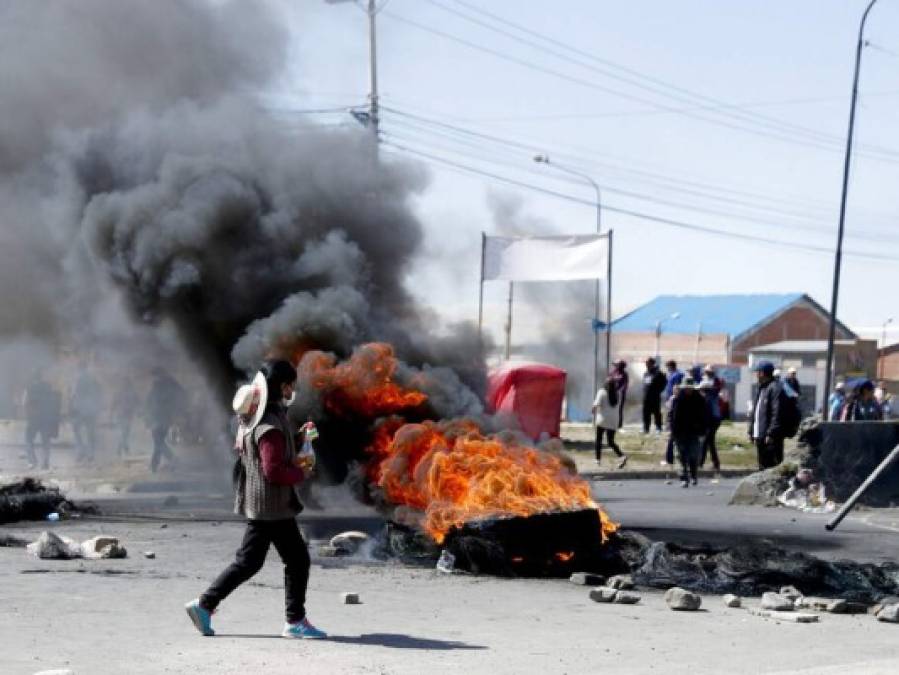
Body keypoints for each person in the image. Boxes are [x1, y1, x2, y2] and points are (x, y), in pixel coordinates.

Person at [186, 360, 326, 640]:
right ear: (283, 386)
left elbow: (276, 452)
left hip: (262, 504)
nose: (293, 389)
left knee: (250, 562)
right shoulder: (269, 425)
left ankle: (205, 605)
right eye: (291, 384)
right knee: (297, 560)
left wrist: (299, 438)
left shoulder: (260, 418)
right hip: (271, 506)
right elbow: (273, 469)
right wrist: (301, 472)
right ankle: (294, 621)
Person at [748, 361, 789, 470]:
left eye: (757, 372)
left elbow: (777, 413)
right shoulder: (762, 388)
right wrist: (751, 430)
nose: (756, 375)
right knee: (762, 466)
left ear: (762, 373)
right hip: (761, 435)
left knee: (772, 468)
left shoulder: (775, 388)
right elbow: (756, 411)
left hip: (770, 437)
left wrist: (771, 433)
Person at [670, 375, 707, 487]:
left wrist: (702, 431)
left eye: (690, 388)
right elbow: (673, 416)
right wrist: (673, 432)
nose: (688, 390)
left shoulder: (699, 399)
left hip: (694, 432)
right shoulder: (678, 399)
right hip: (680, 432)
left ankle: (693, 475)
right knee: (680, 456)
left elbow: (704, 417)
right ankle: (683, 478)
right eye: (686, 388)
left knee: (693, 455)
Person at [145, 368, 184, 472]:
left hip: (162, 417)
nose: (152, 379)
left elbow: (150, 402)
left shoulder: (164, 385)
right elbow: (149, 402)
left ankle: (169, 460)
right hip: (160, 417)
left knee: (158, 441)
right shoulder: (162, 385)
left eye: (154, 376)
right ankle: (155, 465)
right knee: (158, 442)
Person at [24, 370, 60, 470]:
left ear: (34, 378)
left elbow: (25, 402)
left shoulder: (29, 387)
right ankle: (46, 462)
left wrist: (27, 414)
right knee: (46, 441)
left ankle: (32, 461)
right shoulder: (48, 387)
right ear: (41, 377)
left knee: (28, 440)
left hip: (33, 418)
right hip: (46, 418)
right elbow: (54, 401)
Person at [592, 377, 628, 468]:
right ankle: (621, 455)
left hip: (602, 420)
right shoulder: (618, 394)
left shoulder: (602, 392)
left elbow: (596, 405)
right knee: (610, 441)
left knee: (599, 440)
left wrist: (593, 412)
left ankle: (597, 460)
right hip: (613, 420)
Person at [71, 365, 103, 464]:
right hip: (91, 410)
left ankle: (82, 451)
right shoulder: (93, 380)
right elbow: (99, 394)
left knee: (76, 429)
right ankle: (91, 454)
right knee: (90, 432)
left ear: (80, 369)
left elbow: (74, 395)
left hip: (80, 409)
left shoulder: (78, 380)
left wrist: (72, 408)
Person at [698, 376, 722, 480]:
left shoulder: (707, 398)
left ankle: (700, 463)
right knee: (710, 443)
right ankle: (715, 463)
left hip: (711, 422)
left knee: (705, 442)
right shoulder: (712, 396)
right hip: (715, 421)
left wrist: (704, 426)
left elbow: (707, 414)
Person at [112, 379, 141, 456]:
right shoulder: (126, 393)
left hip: (125, 415)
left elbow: (113, 404)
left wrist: (111, 414)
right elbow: (114, 404)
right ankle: (123, 449)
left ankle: (123, 449)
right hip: (124, 415)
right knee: (125, 433)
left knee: (125, 433)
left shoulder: (121, 392)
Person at [641, 357, 667, 434]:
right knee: (646, 413)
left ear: (652, 363)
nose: (646, 364)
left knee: (656, 412)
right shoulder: (646, 373)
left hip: (655, 396)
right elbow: (645, 384)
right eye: (646, 363)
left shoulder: (658, 373)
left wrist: (658, 391)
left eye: (647, 363)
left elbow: (664, 383)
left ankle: (658, 427)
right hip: (646, 397)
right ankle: (646, 428)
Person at [610, 360, 629, 429]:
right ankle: (611, 423)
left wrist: (620, 391)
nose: (615, 366)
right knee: (612, 408)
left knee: (619, 409)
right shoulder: (613, 372)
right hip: (612, 393)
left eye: (617, 365)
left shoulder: (624, 374)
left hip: (620, 394)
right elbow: (609, 381)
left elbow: (625, 385)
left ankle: (619, 425)